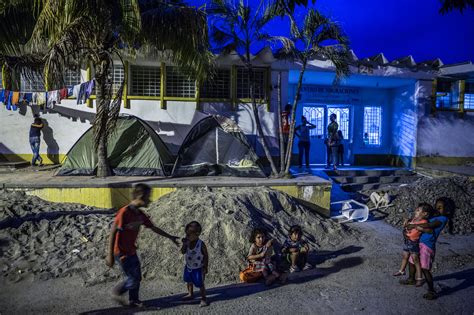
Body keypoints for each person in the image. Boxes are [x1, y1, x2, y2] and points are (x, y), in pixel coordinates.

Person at [105, 183, 180, 307]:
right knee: (133, 278)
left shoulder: (140, 214)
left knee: (137, 277)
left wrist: (170, 237)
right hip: (121, 252)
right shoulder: (124, 212)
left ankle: (134, 300)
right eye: (148, 197)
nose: (149, 200)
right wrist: (110, 255)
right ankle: (117, 291)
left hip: (131, 251)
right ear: (140, 196)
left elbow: (153, 228)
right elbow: (113, 232)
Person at [400, 197, 453, 300]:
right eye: (436, 207)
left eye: (440, 208)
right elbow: (420, 220)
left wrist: (413, 226)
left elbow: (429, 225)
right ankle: (411, 279)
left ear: (447, 210)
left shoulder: (442, 219)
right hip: (418, 242)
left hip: (427, 246)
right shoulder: (434, 215)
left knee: (424, 268)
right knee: (411, 262)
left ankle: (431, 291)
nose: (437, 209)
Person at [392, 203, 432, 287]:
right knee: (404, 256)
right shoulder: (414, 219)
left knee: (416, 260)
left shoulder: (423, 221)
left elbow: (424, 229)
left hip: (414, 243)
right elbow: (406, 227)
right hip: (407, 241)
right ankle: (401, 271)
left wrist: (415, 227)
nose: (415, 211)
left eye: (418, 210)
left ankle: (419, 278)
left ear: (424, 214)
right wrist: (405, 223)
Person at [181, 221, 209, 308]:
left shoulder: (201, 244)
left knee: (200, 284)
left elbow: (206, 255)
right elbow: (182, 252)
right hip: (189, 266)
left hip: (198, 268)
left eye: (189, 234)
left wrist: (205, 266)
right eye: (186, 233)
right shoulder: (187, 242)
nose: (187, 236)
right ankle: (190, 294)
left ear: (197, 234)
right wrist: (185, 245)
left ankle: (203, 298)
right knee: (189, 281)